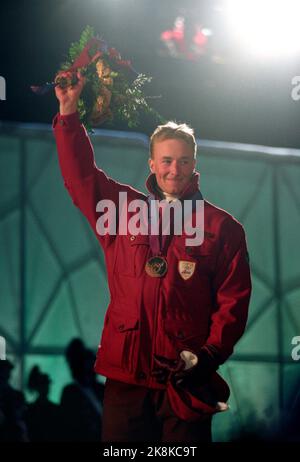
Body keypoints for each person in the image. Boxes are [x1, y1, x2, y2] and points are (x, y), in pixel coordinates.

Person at [53, 72, 252, 442]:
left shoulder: (222, 229)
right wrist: (68, 113)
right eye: (165, 160)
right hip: (126, 380)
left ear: (194, 165)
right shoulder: (122, 211)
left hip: (184, 379)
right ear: (151, 164)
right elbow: (81, 178)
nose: (173, 169)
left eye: (182, 161)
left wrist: (206, 356)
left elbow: (233, 303)